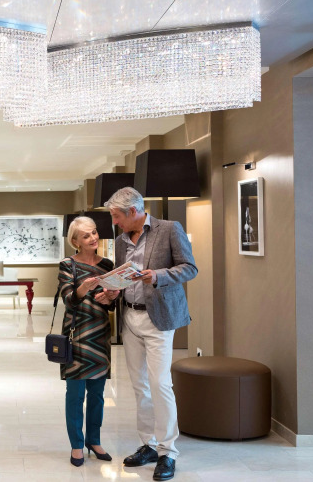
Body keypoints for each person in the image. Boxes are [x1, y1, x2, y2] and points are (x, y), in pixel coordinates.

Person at [105, 187, 197, 481]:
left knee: (160, 384)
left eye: (117, 216)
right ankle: (148, 445)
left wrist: (158, 275)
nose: (114, 222)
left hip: (159, 318)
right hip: (129, 318)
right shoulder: (121, 240)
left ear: (133, 211)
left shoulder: (169, 229)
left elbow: (189, 268)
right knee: (140, 386)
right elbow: (123, 276)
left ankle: (168, 451)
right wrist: (112, 291)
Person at [59, 216, 119, 467]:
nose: (93, 238)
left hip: (100, 334)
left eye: (94, 232)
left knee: (97, 394)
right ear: (76, 241)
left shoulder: (107, 264)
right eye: (86, 235)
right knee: (75, 395)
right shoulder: (67, 264)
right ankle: (76, 445)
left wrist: (112, 297)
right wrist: (83, 288)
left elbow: (111, 303)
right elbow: (68, 299)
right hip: (76, 336)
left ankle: (94, 441)